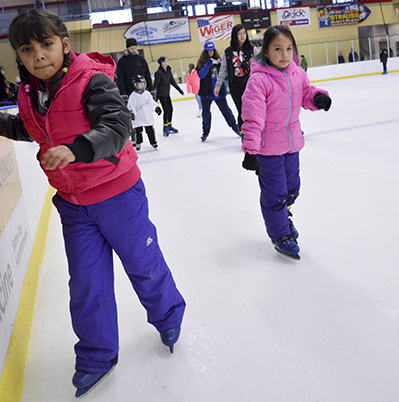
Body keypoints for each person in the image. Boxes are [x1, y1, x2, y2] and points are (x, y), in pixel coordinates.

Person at [0, 9, 186, 398]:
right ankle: (96, 355)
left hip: (118, 193)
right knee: (86, 283)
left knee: (143, 263)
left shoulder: (92, 80)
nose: (38, 56)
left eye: (46, 45)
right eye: (27, 49)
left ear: (65, 45)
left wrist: (76, 149)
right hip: (73, 204)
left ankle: (168, 315)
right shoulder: (31, 94)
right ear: (19, 56)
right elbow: (29, 128)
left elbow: (118, 127)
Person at [241, 25, 332, 260]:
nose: (284, 54)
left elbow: (305, 92)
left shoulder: (296, 72)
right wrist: (251, 150)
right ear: (266, 52)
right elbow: (253, 116)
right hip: (268, 150)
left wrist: (317, 97)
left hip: (292, 145)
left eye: (289, 48)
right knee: (275, 195)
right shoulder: (259, 80)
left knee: (292, 189)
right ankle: (281, 235)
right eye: (278, 49)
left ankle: (283, 216)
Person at [196, 41, 241, 142]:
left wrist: (221, 64)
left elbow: (225, 75)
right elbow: (201, 75)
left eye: (212, 50)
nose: (211, 52)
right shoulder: (201, 63)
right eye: (208, 51)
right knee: (206, 114)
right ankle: (205, 132)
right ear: (205, 52)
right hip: (206, 94)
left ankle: (236, 128)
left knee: (226, 111)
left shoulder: (219, 61)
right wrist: (208, 64)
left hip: (219, 93)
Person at [214, 24, 255, 129]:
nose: (242, 36)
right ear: (234, 36)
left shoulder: (252, 49)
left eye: (244, 33)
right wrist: (218, 85)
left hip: (250, 84)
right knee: (241, 109)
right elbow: (223, 69)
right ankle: (243, 133)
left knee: (252, 109)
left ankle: (255, 130)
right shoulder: (228, 52)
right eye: (239, 34)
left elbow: (261, 63)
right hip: (235, 85)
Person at [127, 75, 162, 150]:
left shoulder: (147, 94)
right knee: (138, 131)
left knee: (150, 130)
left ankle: (153, 142)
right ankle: (138, 142)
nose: (142, 85)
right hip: (138, 117)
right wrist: (131, 113)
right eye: (140, 83)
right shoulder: (133, 96)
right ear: (135, 85)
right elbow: (129, 106)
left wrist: (156, 108)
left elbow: (152, 103)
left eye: (143, 83)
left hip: (147, 116)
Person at [153, 56, 184, 136]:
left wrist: (179, 90)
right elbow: (155, 85)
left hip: (167, 94)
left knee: (171, 109)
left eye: (166, 61)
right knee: (166, 110)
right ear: (160, 63)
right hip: (161, 94)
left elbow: (172, 82)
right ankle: (165, 127)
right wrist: (155, 97)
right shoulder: (158, 73)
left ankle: (169, 125)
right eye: (164, 62)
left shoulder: (168, 71)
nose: (166, 63)